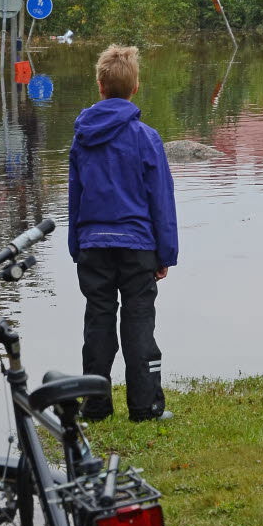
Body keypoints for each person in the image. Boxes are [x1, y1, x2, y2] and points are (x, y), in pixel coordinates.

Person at [67, 45, 178, 422]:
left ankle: (94, 405)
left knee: (97, 321)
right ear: (136, 88)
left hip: (93, 246)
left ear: (100, 86)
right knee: (138, 323)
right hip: (138, 247)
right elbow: (161, 200)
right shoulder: (146, 138)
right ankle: (145, 407)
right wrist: (166, 254)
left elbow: (75, 197)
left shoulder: (82, 137)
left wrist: (75, 246)